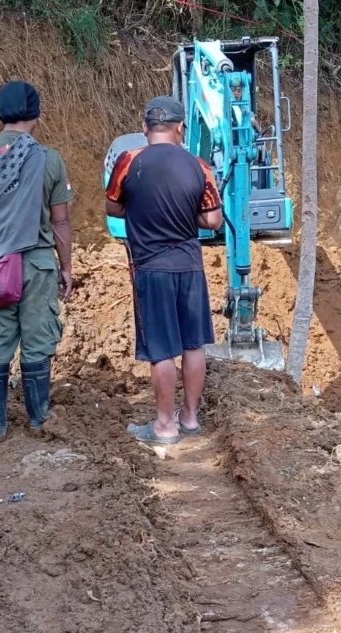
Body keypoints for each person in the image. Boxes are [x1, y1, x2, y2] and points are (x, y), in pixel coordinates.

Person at [105, 96, 223, 444]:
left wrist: (142, 209)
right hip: (188, 265)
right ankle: (188, 418)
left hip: (150, 267)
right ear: (181, 128)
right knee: (193, 344)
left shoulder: (129, 161)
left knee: (161, 349)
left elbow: (113, 207)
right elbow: (213, 220)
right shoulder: (198, 166)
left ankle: (164, 427)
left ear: (144, 128)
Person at [0, 80, 74, 441]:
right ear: (36, 114)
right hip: (37, 265)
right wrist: (66, 267)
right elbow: (60, 221)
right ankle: (39, 419)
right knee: (37, 341)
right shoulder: (48, 157)